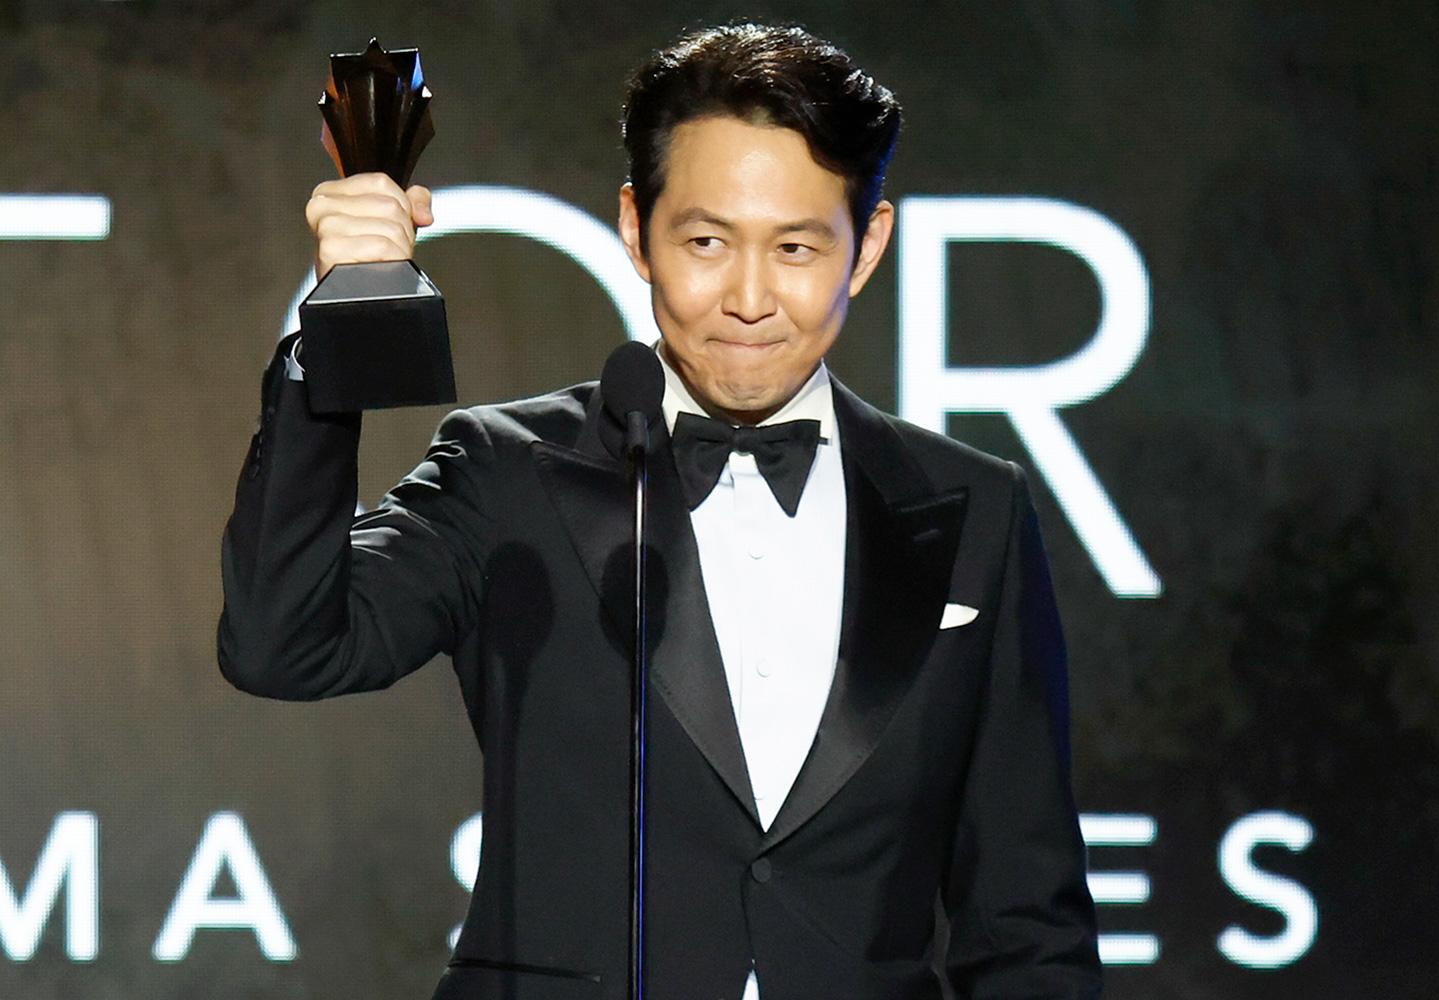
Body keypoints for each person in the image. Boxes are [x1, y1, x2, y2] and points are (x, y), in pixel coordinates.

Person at [219, 21, 1101, 1000]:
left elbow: (1028, 927)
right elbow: (283, 646)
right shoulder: (510, 472)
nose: (750, 298)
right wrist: (338, 331)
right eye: (708, 241)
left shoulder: (976, 509)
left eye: (797, 246)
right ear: (637, 230)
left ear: (868, 247)